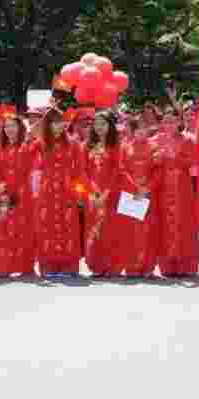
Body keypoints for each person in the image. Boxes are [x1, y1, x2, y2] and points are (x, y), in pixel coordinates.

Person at [30, 107, 83, 280]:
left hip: (67, 191)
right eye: (53, 123)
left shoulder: (74, 143)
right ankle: (49, 265)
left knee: (69, 227)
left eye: (60, 122)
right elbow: (25, 158)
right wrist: (31, 133)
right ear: (47, 124)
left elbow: (79, 171)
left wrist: (80, 194)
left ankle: (69, 266)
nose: (58, 126)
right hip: (47, 192)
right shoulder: (40, 143)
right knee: (48, 228)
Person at [153, 108, 198, 278]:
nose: (169, 124)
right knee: (164, 224)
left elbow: (192, 162)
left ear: (179, 123)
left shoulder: (187, 140)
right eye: (165, 121)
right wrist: (156, 159)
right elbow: (150, 163)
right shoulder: (156, 140)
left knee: (183, 223)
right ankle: (167, 265)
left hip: (182, 188)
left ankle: (184, 265)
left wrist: (172, 158)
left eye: (172, 121)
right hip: (162, 189)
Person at [0, 112, 35, 278]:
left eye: (13, 126)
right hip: (4, 195)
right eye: (7, 126)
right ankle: (5, 266)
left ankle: (25, 266)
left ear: (20, 128)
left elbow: (26, 170)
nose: (9, 129)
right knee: (4, 229)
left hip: (23, 194)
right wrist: (0, 188)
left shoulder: (26, 146)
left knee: (24, 230)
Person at [118, 116, 160, 278]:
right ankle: (131, 267)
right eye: (138, 129)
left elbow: (158, 170)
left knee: (147, 230)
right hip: (130, 196)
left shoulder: (154, 147)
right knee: (130, 231)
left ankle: (147, 267)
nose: (141, 132)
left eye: (144, 128)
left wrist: (147, 187)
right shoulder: (125, 147)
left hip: (147, 195)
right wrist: (133, 187)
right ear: (133, 131)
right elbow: (122, 169)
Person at [83, 111, 123, 278]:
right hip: (92, 196)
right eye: (97, 124)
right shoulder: (87, 145)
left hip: (110, 195)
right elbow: (83, 170)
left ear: (110, 126)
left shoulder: (116, 146)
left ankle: (111, 265)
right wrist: (91, 191)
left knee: (110, 229)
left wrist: (106, 192)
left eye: (103, 124)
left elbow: (117, 171)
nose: (99, 127)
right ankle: (96, 265)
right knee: (93, 229)